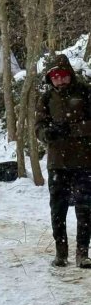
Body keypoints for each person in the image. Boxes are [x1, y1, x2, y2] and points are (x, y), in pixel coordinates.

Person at [35, 54, 91, 268]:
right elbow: (38, 125)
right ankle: (61, 252)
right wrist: (47, 133)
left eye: (62, 75)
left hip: (84, 160)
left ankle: (83, 252)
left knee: (85, 208)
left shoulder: (85, 92)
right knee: (58, 208)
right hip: (57, 161)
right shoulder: (47, 98)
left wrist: (74, 129)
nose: (59, 80)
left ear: (70, 75)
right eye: (55, 77)